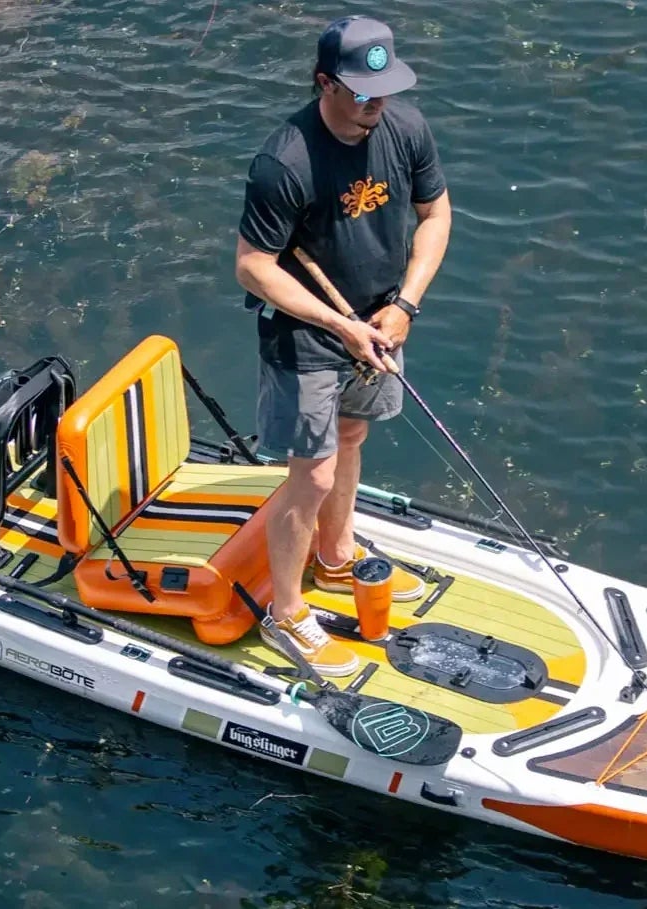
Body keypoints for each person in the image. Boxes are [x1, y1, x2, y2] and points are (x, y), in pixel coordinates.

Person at [232, 14, 451, 677]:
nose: (375, 105)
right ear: (324, 82)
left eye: (385, 88)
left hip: (381, 320)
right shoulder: (285, 162)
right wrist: (339, 325)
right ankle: (287, 614)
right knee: (314, 471)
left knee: (351, 436)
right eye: (360, 92)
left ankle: (335, 556)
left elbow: (436, 215)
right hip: (307, 333)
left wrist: (405, 304)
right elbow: (252, 266)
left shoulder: (404, 128)